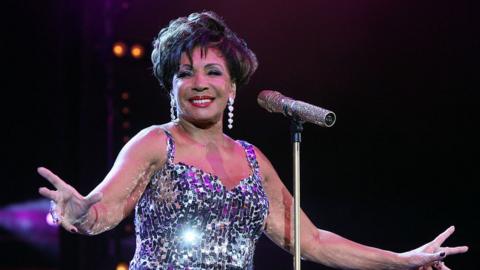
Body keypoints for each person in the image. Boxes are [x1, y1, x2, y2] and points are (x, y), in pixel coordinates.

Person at [38, 11, 468, 270]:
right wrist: (78, 211)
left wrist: (402, 260)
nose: (199, 83)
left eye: (213, 72)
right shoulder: (154, 143)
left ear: (233, 87)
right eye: (185, 73)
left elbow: (312, 241)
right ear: (172, 88)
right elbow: (102, 211)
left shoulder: (253, 159)